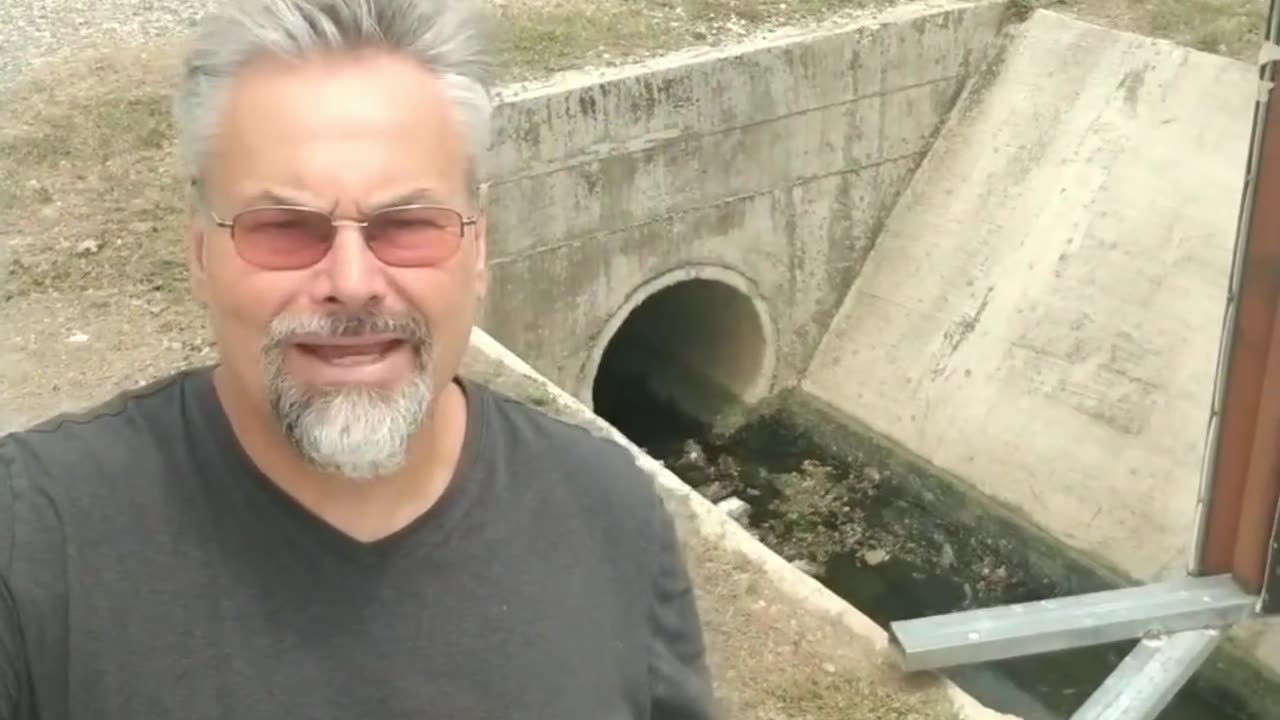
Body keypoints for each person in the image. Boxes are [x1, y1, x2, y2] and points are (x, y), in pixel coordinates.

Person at [0, 0, 718, 717]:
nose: (351, 283)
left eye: (407, 224)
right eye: (283, 228)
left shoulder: (612, 517)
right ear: (199, 253)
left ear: (478, 248)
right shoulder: (33, 545)